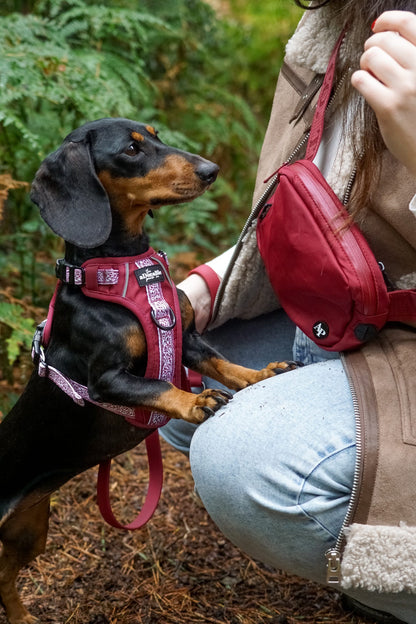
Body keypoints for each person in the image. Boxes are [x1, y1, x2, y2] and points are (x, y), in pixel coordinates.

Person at [161, 3, 416, 623]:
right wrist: (196, 295)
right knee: (179, 373)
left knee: (245, 458)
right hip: (379, 314)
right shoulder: (342, 22)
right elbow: (321, 218)